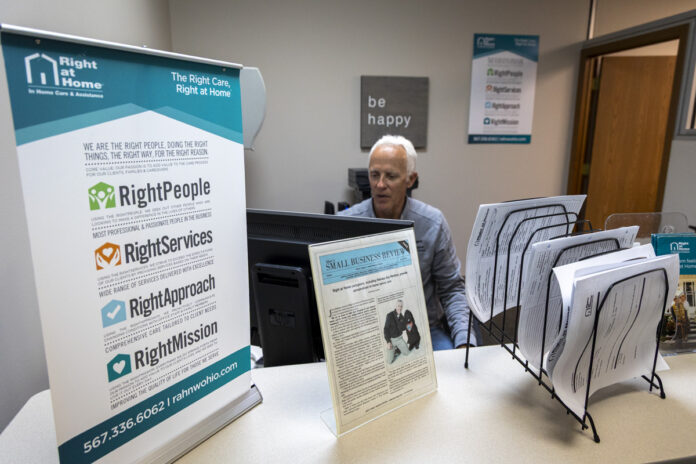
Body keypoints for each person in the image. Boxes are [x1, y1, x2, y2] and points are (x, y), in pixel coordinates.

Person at [339, 135, 476, 350]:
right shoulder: (346, 224)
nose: (380, 184)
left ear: (410, 180)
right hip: (367, 332)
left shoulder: (432, 223)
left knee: (453, 369)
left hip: (423, 329)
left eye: (390, 176)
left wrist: (464, 343)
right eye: (374, 175)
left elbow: (452, 290)